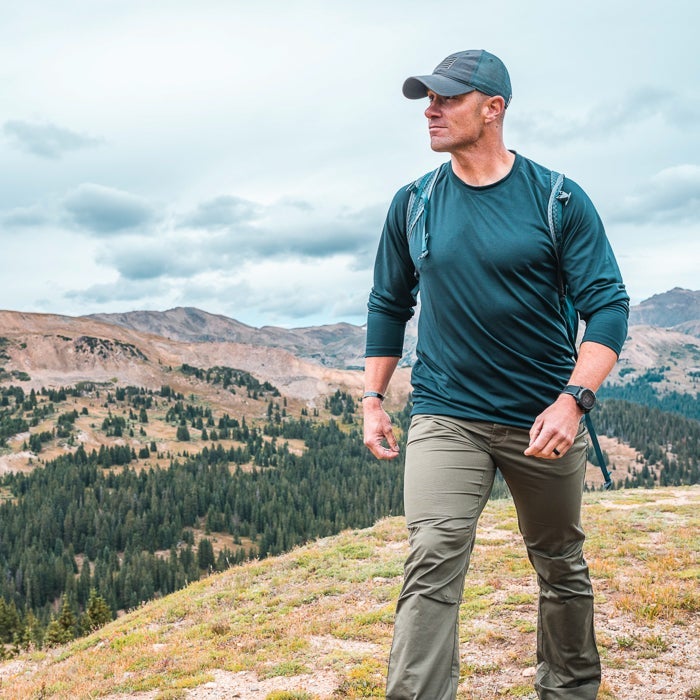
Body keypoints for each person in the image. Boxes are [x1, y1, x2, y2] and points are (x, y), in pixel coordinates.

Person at [362, 49, 629, 700]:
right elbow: (388, 305)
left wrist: (573, 401)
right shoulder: (414, 204)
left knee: (560, 562)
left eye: (447, 98)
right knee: (432, 556)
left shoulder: (557, 198)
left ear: (493, 108)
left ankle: (569, 690)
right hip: (446, 414)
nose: (431, 110)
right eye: (427, 99)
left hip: (543, 419)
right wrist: (372, 398)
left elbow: (607, 306)